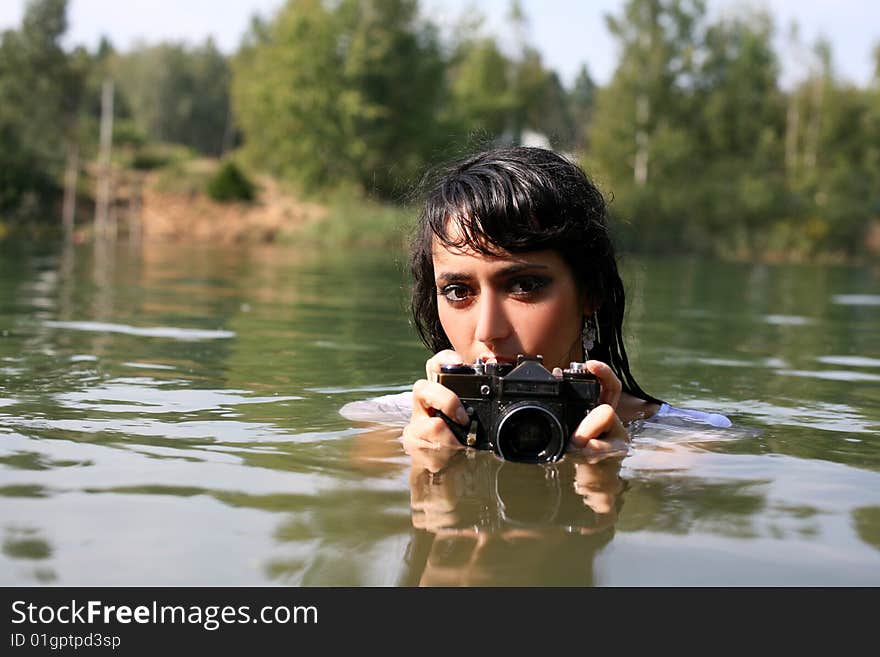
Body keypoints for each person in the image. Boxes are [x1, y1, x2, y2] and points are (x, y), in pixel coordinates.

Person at [340, 145, 730, 458]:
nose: (488, 330)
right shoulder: (386, 426)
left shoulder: (687, 443)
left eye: (525, 285)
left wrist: (611, 477)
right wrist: (428, 475)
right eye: (458, 292)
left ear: (590, 291)